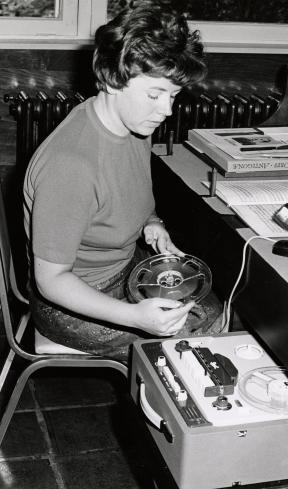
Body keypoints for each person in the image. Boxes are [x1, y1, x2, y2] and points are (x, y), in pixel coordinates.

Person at [23, 1, 219, 364]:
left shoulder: (132, 126)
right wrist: (134, 317)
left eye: (172, 95)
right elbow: (52, 281)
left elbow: (130, 191)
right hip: (71, 302)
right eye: (155, 94)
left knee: (204, 303)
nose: (166, 110)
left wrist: (152, 222)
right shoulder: (72, 165)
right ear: (114, 78)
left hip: (122, 266)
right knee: (199, 330)